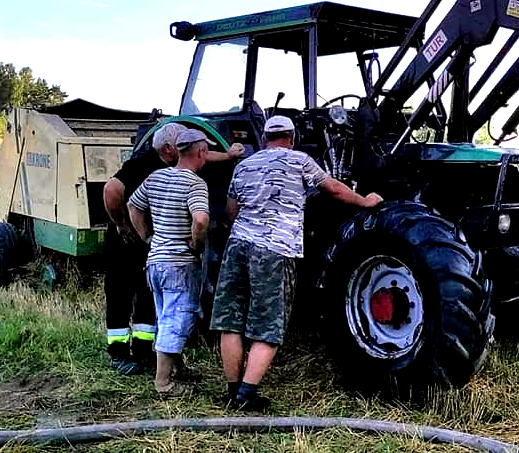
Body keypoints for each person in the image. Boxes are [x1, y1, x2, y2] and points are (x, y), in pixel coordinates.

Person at [212, 115, 384, 411]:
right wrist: (364, 201)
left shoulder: (244, 165)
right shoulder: (300, 160)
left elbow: (231, 210)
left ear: (265, 137)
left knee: (231, 320)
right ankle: (246, 395)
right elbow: (333, 189)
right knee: (269, 324)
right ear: (292, 138)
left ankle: (232, 390)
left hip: (237, 246)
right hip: (275, 250)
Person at [101, 122, 243, 375]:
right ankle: (119, 354)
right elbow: (112, 190)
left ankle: (145, 351)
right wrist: (123, 226)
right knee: (121, 295)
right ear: (169, 148)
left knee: (147, 298)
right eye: (179, 144)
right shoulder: (143, 165)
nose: (185, 149)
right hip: (124, 241)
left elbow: (201, 153)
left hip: (152, 245)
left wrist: (230, 156)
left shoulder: (169, 165)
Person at [127, 128, 217, 397]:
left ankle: (178, 369)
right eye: (206, 151)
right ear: (200, 153)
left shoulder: (156, 177)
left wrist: (147, 237)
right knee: (176, 320)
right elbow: (200, 220)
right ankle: (163, 383)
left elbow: (133, 205)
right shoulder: (195, 184)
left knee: (165, 314)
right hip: (179, 264)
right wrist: (197, 244)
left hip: (155, 262)